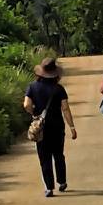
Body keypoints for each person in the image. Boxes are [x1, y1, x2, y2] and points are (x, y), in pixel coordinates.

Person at [24, 57, 75, 196]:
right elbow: (65, 109)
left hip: (41, 129)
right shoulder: (59, 89)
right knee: (58, 155)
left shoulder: (32, 87)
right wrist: (72, 127)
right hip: (57, 127)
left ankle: (49, 187)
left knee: (44, 157)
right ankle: (62, 181)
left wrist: (34, 114)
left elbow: (26, 105)